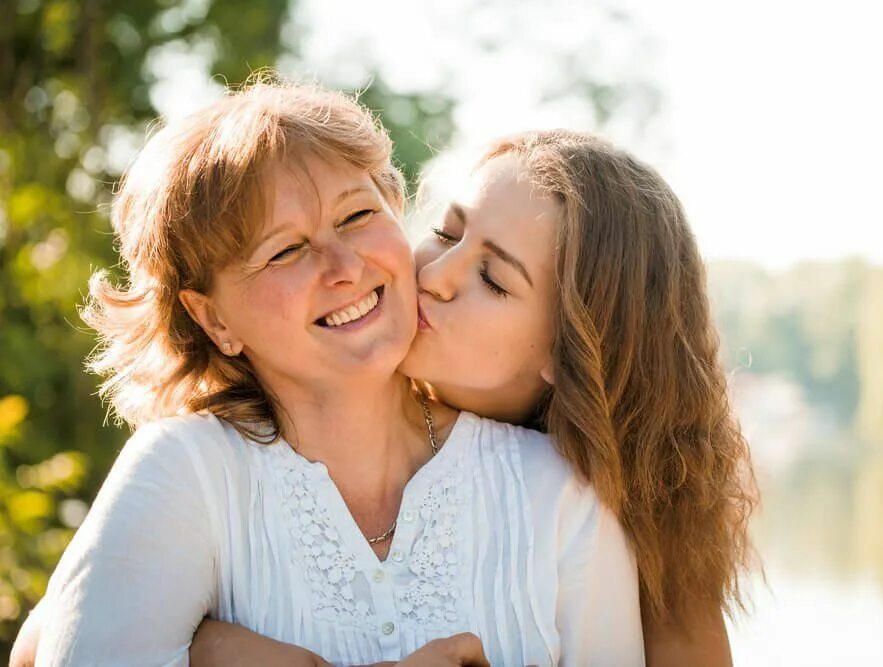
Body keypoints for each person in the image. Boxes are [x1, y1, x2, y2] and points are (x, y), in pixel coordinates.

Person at [17, 82, 644, 666]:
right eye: (285, 251)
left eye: (356, 217)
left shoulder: (558, 493)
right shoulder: (186, 472)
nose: (343, 265)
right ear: (214, 319)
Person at [184, 129, 757, 666]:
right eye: (447, 233)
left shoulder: (627, 534)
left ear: (572, 349)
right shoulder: (249, 441)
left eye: (493, 279)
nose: (435, 275)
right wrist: (201, 646)